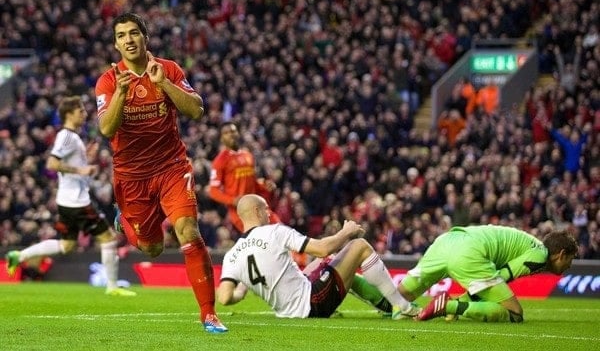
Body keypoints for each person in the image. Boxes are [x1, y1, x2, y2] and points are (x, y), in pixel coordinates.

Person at [94, 12, 226, 333]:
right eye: (122, 35)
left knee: (188, 231)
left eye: (134, 33)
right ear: (116, 43)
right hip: (132, 175)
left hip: (171, 166)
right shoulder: (109, 81)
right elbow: (106, 128)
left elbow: (196, 109)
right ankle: (122, 218)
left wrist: (163, 83)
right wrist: (123, 95)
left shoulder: (168, 69)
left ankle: (209, 314)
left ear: (145, 37)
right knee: (151, 247)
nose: (128, 39)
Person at [5, 96, 136, 297]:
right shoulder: (66, 136)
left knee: (66, 245)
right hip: (77, 201)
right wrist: (80, 170)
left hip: (68, 200)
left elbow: (68, 165)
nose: (84, 114)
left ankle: (18, 255)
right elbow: (51, 164)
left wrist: (87, 160)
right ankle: (112, 287)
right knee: (109, 239)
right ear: (69, 114)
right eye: (80, 111)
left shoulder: (73, 137)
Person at [216, 194, 419, 319]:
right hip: (311, 303)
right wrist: (345, 232)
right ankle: (402, 307)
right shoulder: (274, 232)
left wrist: (242, 290)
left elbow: (224, 298)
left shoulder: (232, 254)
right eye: (266, 210)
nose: (269, 214)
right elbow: (322, 248)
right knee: (359, 246)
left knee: (326, 263)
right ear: (257, 211)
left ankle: (389, 304)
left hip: (287, 310)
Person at [396, 224, 578, 323]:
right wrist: (457, 304)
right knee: (515, 313)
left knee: (394, 298)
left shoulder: (529, 245)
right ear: (561, 254)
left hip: (447, 241)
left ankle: (368, 287)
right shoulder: (540, 255)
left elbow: (491, 285)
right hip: (469, 251)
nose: (569, 266)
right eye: (570, 259)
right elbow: (503, 276)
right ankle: (448, 307)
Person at [208, 121, 278, 233]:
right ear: (222, 138)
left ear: (238, 133)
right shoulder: (219, 161)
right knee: (264, 238)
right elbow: (213, 191)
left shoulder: (248, 155)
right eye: (226, 133)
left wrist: (264, 185)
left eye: (233, 131)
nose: (230, 134)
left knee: (281, 231)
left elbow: (253, 182)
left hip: (257, 206)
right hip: (241, 212)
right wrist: (232, 200)